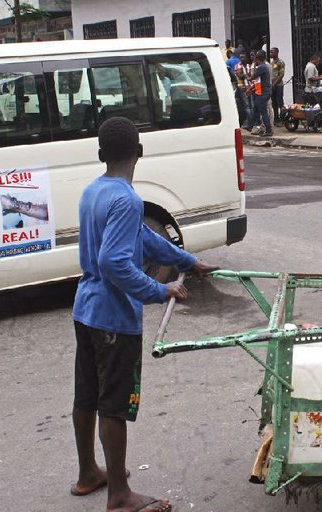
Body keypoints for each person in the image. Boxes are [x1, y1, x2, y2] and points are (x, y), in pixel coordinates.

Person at [70, 117, 218, 512]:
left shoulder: (94, 191)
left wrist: (188, 260)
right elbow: (116, 262)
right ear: (140, 151)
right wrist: (160, 289)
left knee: (87, 396)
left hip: (86, 309)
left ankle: (89, 473)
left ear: (101, 155)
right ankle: (119, 496)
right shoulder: (127, 199)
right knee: (114, 404)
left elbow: (144, 239)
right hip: (113, 318)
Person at [247, 50, 273, 137]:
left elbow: (252, 78)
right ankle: (255, 126)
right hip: (262, 92)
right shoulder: (264, 66)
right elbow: (257, 81)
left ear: (257, 59)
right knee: (256, 109)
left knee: (263, 111)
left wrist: (246, 76)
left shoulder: (261, 67)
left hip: (263, 93)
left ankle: (268, 130)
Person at [269, 47, 286, 127]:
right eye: (270, 52)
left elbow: (281, 75)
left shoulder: (280, 62)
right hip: (272, 86)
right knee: (274, 103)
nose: (271, 54)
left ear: (277, 52)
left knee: (280, 102)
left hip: (278, 85)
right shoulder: (271, 63)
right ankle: (276, 119)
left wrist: (274, 84)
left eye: (272, 52)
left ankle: (283, 119)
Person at [235, 52, 253, 129]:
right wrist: (246, 75)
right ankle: (250, 123)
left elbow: (252, 75)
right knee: (247, 106)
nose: (242, 59)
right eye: (240, 57)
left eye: (243, 57)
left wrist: (246, 75)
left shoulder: (250, 66)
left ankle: (251, 124)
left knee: (250, 106)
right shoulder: (238, 65)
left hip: (250, 87)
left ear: (246, 58)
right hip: (242, 87)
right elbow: (240, 76)